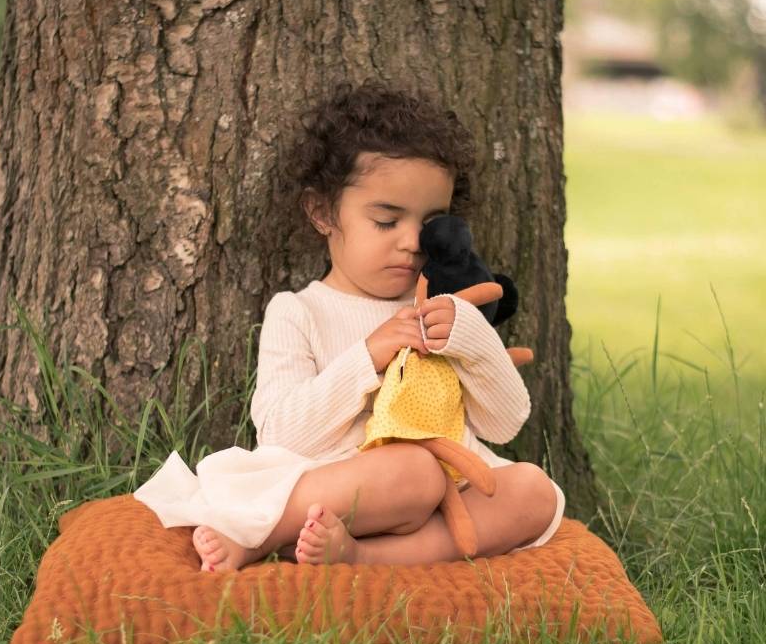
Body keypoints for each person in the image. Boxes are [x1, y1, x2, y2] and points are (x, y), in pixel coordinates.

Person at [134, 80, 564, 574]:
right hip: (343, 484)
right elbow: (280, 434)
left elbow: (505, 424)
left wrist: (472, 338)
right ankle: (259, 536)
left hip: (449, 484)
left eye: (429, 224)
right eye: (386, 221)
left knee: (535, 492)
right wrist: (368, 356)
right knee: (413, 471)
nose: (411, 243)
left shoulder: (443, 310)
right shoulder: (298, 312)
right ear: (322, 212)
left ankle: (364, 556)